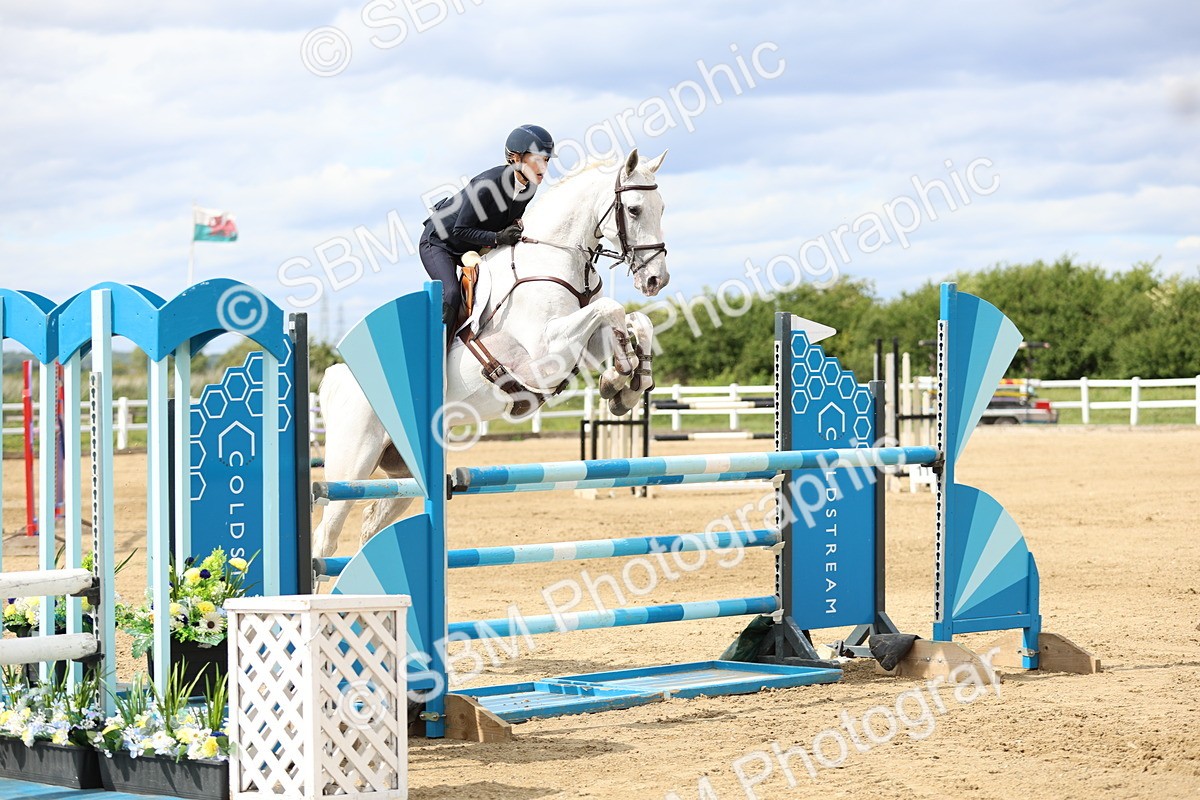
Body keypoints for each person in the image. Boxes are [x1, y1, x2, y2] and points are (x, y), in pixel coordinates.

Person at [420, 124, 555, 326]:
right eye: (537, 160)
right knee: (451, 293)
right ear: (515, 158)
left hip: (471, 247)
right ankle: (438, 352)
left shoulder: (530, 187)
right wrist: (498, 238)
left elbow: (508, 223)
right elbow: (460, 229)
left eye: (546, 160)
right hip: (439, 242)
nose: (543, 167)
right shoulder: (486, 184)